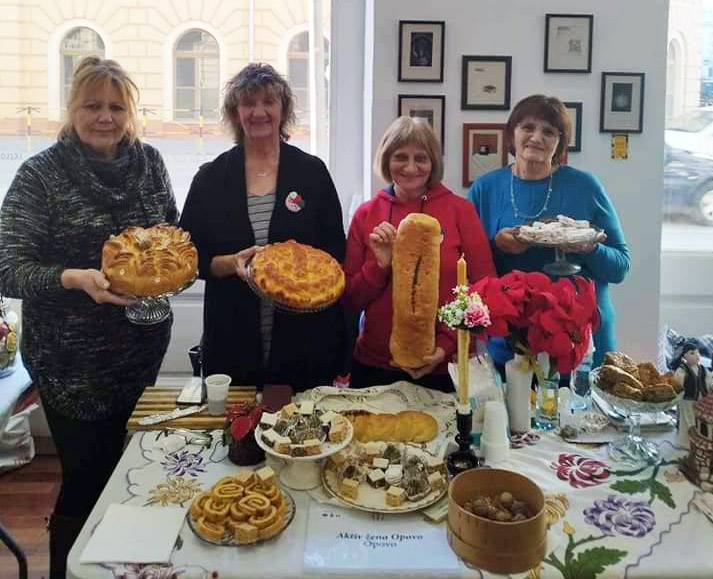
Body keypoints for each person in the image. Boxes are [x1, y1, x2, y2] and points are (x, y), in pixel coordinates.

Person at [0, 57, 177, 578]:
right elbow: (9, 269)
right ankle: (70, 571)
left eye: (116, 106)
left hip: (140, 354)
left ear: (131, 112)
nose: (105, 116)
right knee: (86, 477)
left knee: (130, 472)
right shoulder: (41, 174)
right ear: (72, 108)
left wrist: (173, 271)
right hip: (70, 362)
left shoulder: (150, 163)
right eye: (92, 105)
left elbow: (171, 236)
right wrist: (76, 279)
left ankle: (122, 567)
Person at [179, 63, 346, 390]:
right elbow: (189, 256)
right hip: (232, 338)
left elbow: (335, 250)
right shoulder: (211, 178)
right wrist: (228, 264)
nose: (258, 112)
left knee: (301, 434)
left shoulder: (311, 173)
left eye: (268, 102)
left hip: (304, 342)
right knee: (238, 433)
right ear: (234, 112)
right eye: (248, 103)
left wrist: (302, 276)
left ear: (282, 109)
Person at [469, 95, 630, 369]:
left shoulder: (585, 187)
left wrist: (587, 246)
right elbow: (469, 269)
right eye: (527, 127)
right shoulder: (485, 189)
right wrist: (498, 245)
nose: (536, 137)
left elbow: (620, 268)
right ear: (512, 134)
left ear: (559, 142)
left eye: (549, 132)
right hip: (512, 339)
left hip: (580, 339)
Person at [344, 116, 496, 391]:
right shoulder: (366, 215)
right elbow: (350, 301)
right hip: (374, 365)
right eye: (400, 157)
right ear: (387, 160)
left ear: (433, 162)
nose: (411, 167)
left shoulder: (460, 211)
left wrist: (446, 345)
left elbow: (485, 290)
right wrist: (379, 266)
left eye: (421, 158)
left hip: (445, 365)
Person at [672, 341, 709, 447]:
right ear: (685, 356)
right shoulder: (682, 370)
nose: (696, 356)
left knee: (700, 420)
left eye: (698, 353)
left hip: (700, 399)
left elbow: (708, 380)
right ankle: (685, 442)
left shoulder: (702, 369)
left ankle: (699, 440)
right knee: (687, 420)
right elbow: (677, 383)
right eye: (692, 353)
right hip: (687, 399)